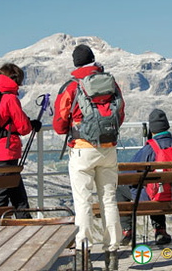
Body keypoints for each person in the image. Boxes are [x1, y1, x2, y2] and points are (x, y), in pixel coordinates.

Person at [53, 44, 125, 271]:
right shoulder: (111, 83)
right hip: (108, 148)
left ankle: (84, 255)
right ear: (94, 60)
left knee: (83, 202)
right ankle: (112, 253)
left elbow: (58, 124)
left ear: (75, 64)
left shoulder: (72, 86)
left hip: (82, 150)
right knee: (109, 200)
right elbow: (120, 114)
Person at [117, 109, 172, 246]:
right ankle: (160, 230)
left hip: (155, 197)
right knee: (158, 188)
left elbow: (130, 173)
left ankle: (127, 230)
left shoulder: (149, 149)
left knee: (122, 188)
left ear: (152, 129)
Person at [0, 63, 42, 218]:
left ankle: (25, 223)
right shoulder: (10, 98)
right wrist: (31, 124)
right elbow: (23, 127)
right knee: (3, 194)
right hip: (7, 151)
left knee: (17, 194)